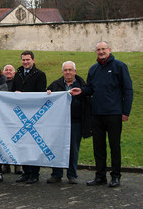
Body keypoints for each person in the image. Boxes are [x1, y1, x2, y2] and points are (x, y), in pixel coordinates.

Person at [70, 41, 133, 188]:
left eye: (103, 49)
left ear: (109, 50)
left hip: (114, 113)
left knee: (114, 146)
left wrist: (126, 111)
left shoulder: (120, 66)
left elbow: (128, 90)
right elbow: (90, 89)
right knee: (98, 147)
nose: (101, 52)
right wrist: (81, 91)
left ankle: (116, 176)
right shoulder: (93, 69)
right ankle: (100, 176)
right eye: (98, 50)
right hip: (96, 114)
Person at [46, 61, 91, 184]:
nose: (68, 72)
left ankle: (72, 175)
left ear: (75, 71)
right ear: (62, 72)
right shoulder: (55, 85)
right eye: (65, 70)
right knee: (56, 148)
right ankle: (56, 174)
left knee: (73, 149)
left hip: (75, 122)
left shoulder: (83, 85)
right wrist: (48, 93)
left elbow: (87, 103)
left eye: (70, 70)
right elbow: (46, 99)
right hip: (58, 123)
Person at [12, 50, 47, 184]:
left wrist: (23, 94)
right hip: (20, 115)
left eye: (27, 59)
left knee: (34, 144)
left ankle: (34, 173)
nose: (25, 62)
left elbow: (40, 94)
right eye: (23, 60)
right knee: (23, 144)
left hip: (34, 115)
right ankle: (26, 172)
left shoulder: (40, 75)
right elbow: (12, 92)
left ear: (33, 60)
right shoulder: (18, 74)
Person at [2, 64, 21, 175]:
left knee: (17, 140)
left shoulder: (18, 82)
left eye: (10, 70)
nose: (8, 72)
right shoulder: (0, 83)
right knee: (5, 140)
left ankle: (17, 165)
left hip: (16, 115)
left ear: (14, 73)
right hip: (3, 116)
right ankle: (6, 164)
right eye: (6, 70)